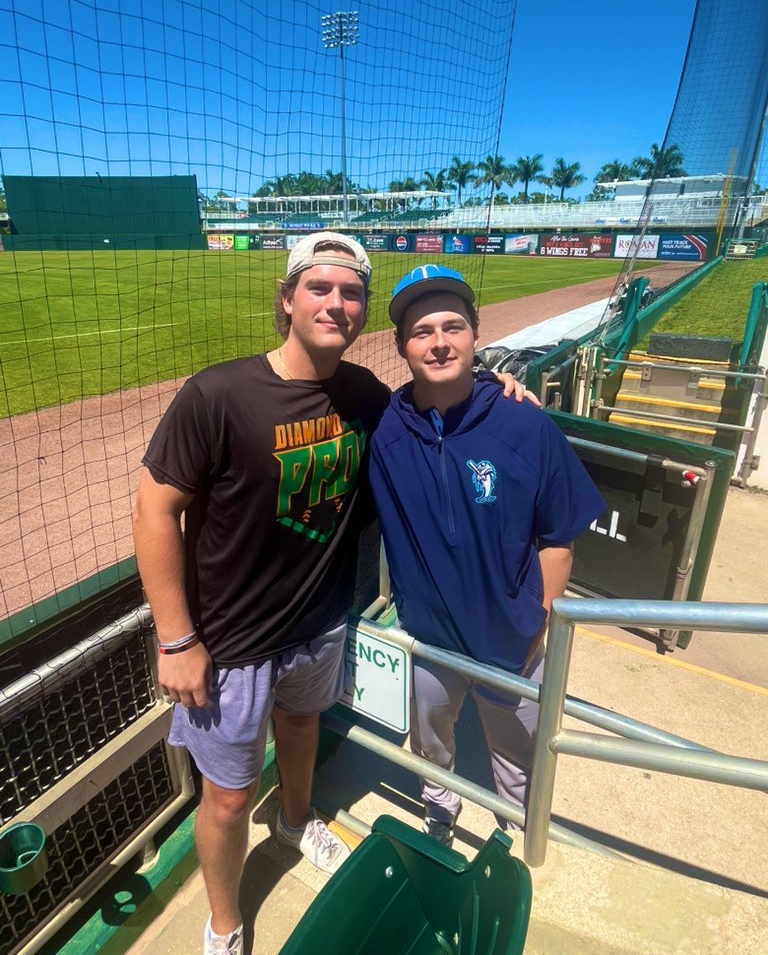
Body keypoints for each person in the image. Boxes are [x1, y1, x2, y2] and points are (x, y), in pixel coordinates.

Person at [132, 235, 529, 955]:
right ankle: (223, 924)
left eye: (351, 293)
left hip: (319, 624)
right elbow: (154, 511)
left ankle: (294, 820)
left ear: (363, 311)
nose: (336, 304)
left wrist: (496, 388)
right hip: (229, 643)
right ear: (287, 299)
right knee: (227, 797)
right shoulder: (218, 394)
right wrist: (176, 638)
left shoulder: (363, 395)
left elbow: (432, 405)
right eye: (319, 288)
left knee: (303, 728)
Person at [369, 265, 606, 847]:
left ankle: (515, 826)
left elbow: (558, 538)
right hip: (429, 639)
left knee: (519, 752)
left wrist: (538, 623)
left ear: (476, 335)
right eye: (422, 331)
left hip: (513, 639)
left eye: (453, 327)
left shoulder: (523, 421)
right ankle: (440, 810)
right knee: (431, 743)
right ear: (401, 345)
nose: (439, 342)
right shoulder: (382, 430)